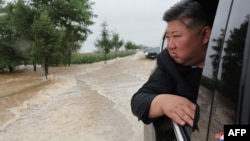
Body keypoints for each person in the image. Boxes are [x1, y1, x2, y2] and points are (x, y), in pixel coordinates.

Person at [131, 0, 217, 140]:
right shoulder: (168, 63)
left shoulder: (233, 65)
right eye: (168, 38)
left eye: (176, 36)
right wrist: (163, 102)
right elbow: (138, 101)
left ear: (205, 35)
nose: (170, 46)